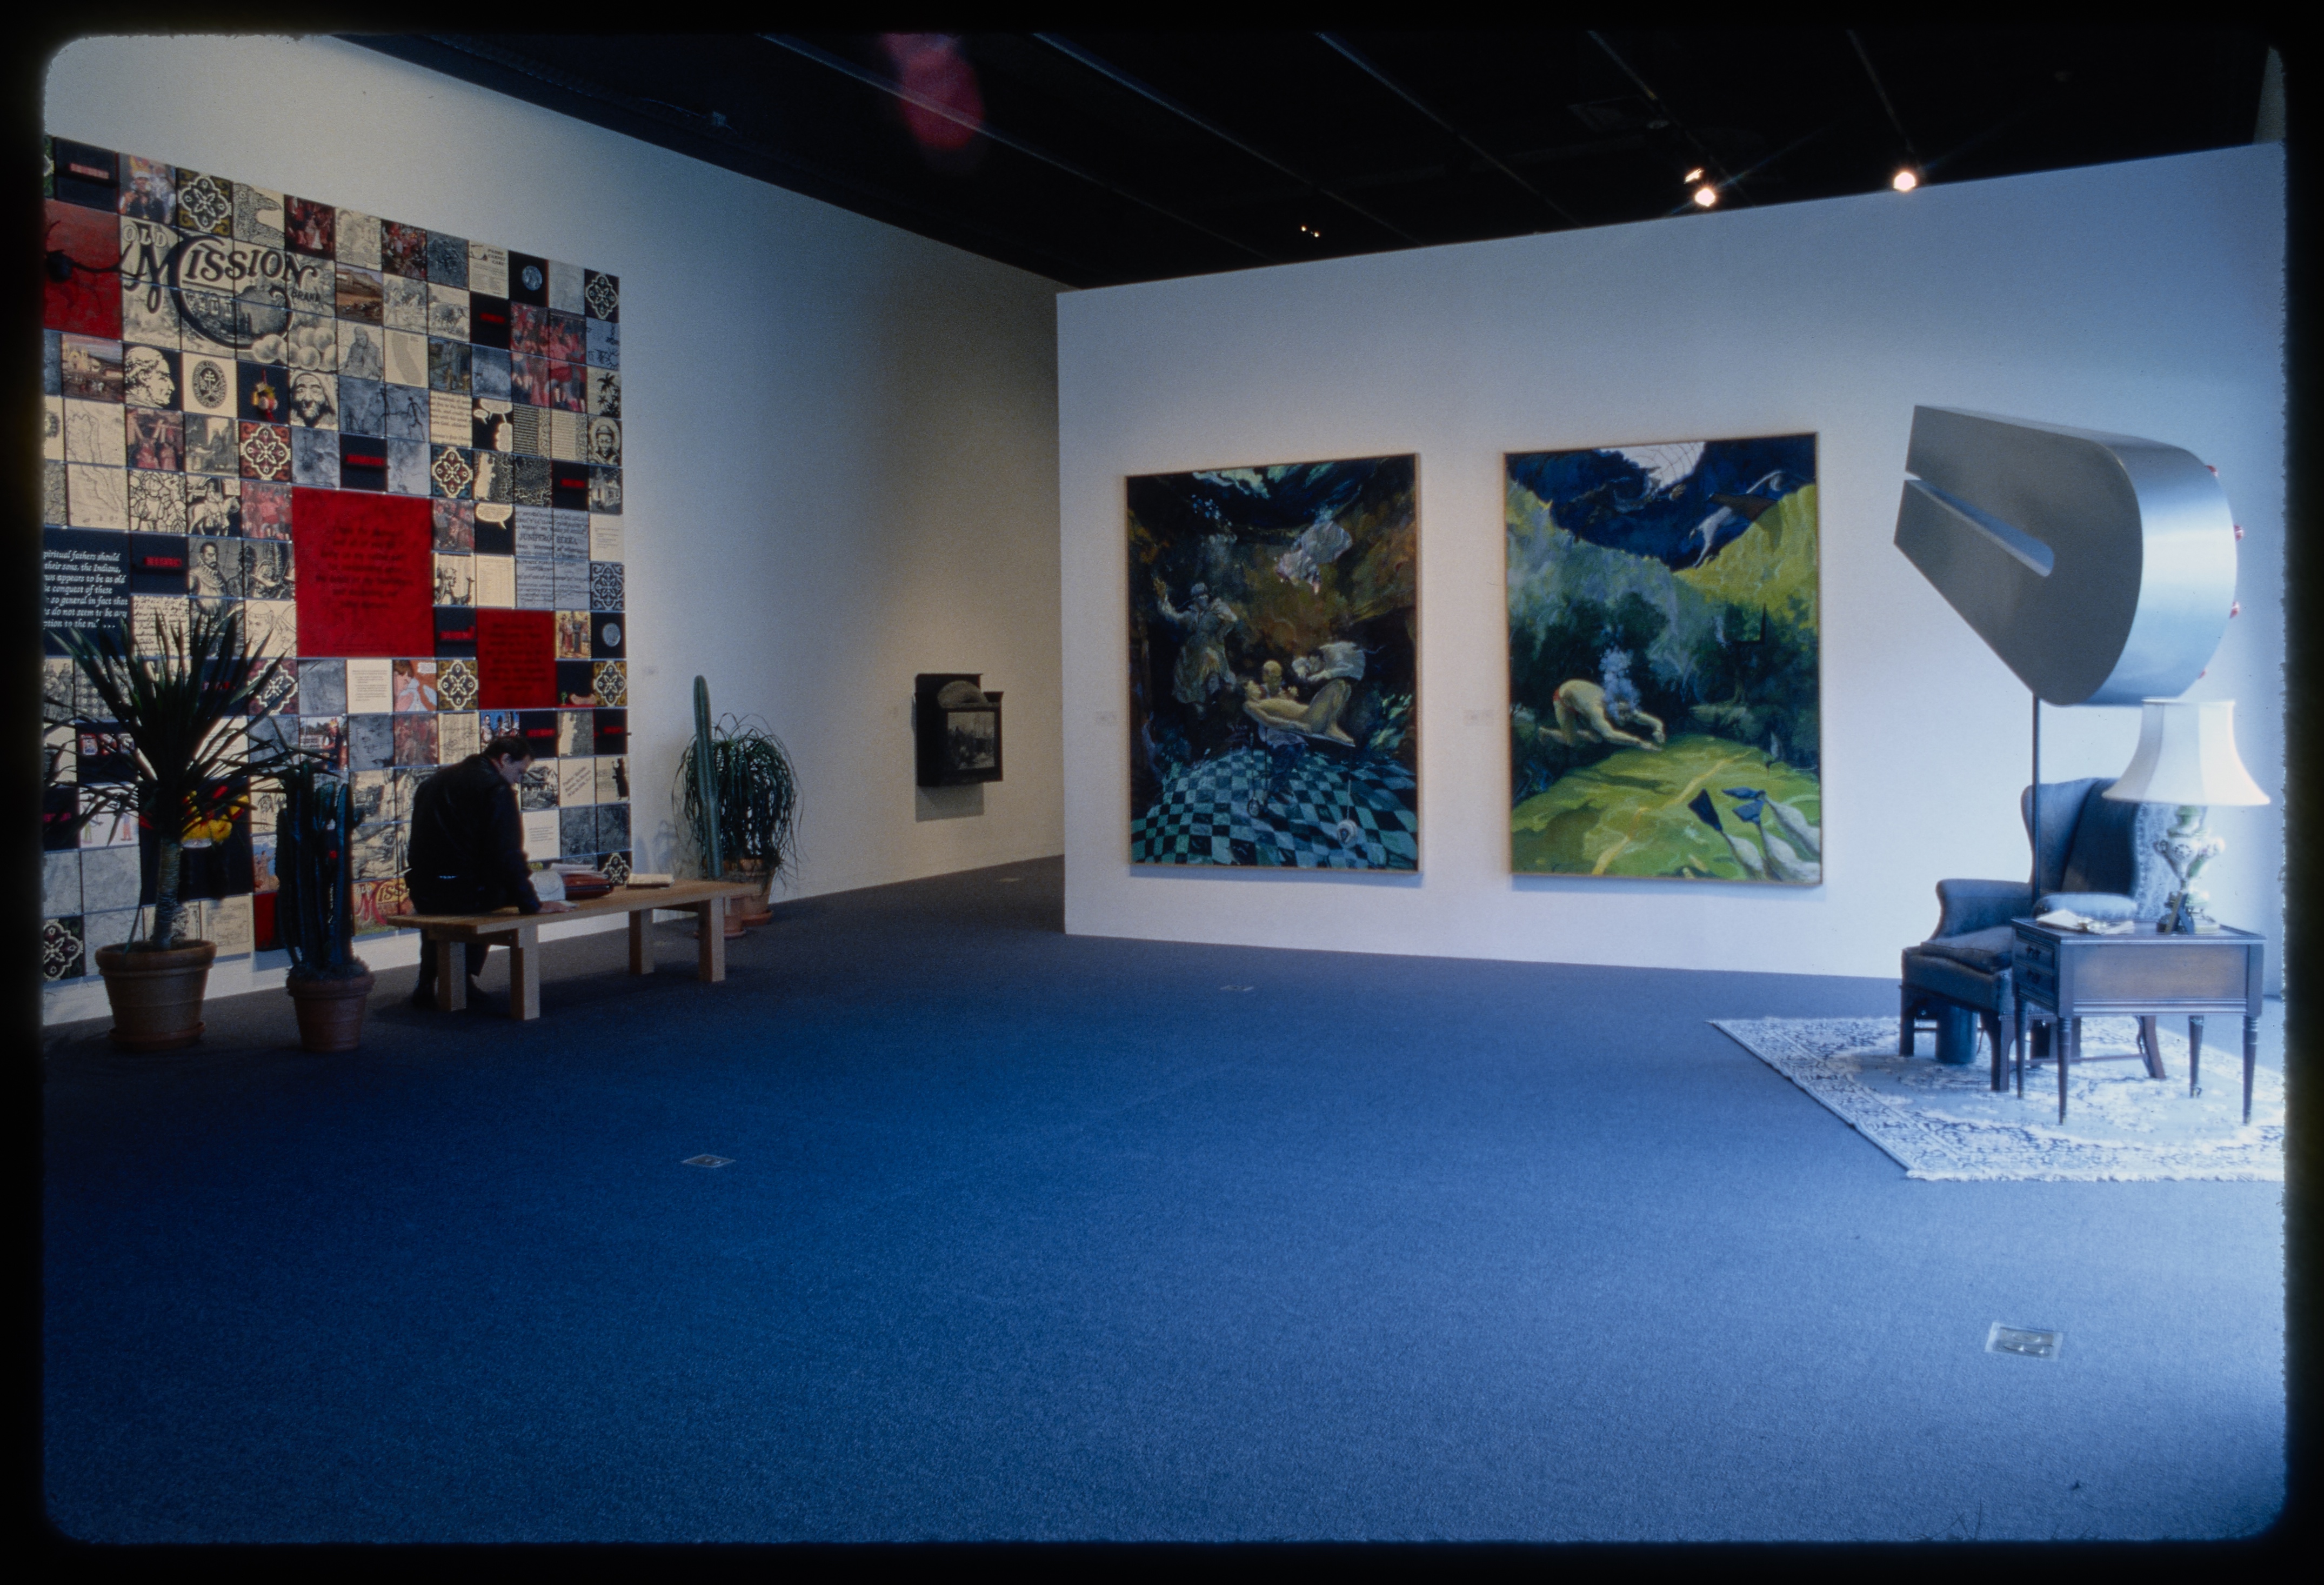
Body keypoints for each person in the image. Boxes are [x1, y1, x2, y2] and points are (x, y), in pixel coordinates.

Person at [404, 734, 571, 1007]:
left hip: (425, 891)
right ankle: (465, 978)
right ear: (505, 759)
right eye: (519, 771)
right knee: (496, 891)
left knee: (450, 904)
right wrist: (532, 905)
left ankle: (426, 980)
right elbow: (506, 854)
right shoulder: (496, 789)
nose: (518, 779)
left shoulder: (434, 781)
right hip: (465, 894)